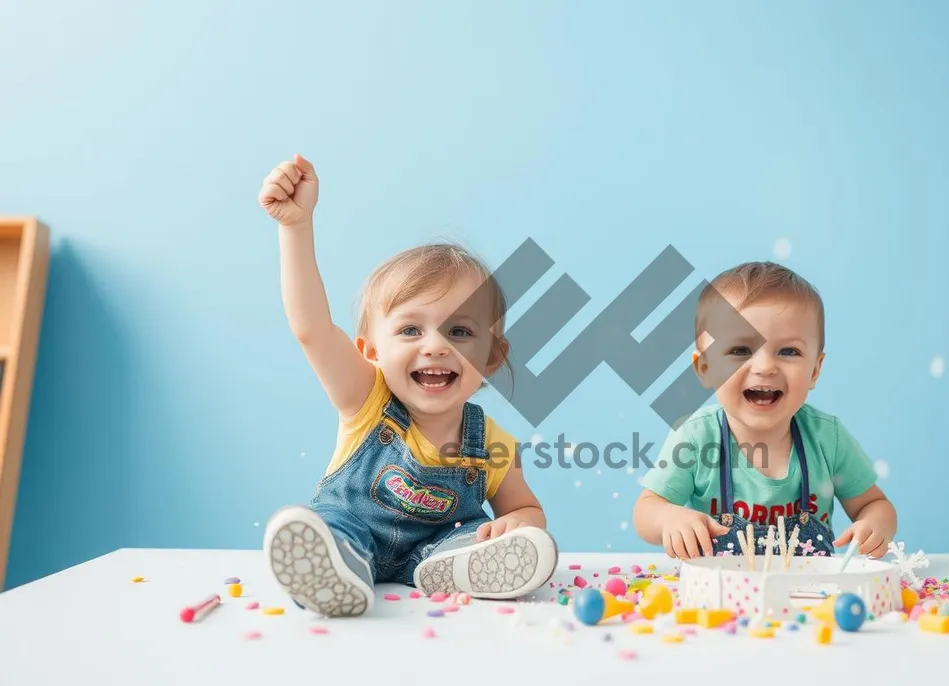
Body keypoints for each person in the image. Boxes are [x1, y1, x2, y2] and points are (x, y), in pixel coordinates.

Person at [256, 154, 557, 617]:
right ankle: (337, 572)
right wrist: (295, 227)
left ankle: (460, 567)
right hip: (354, 529)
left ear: (492, 357)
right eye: (411, 330)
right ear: (371, 351)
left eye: (459, 332)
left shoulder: (492, 442)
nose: (435, 346)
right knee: (328, 529)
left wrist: (518, 524)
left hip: (437, 547)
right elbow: (311, 327)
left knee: (466, 538)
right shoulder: (365, 398)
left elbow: (528, 510)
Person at [632, 261, 897, 561]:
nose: (765, 367)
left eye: (788, 351)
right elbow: (646, 510)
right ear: (705, 368)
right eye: (740, 350)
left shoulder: (827, 438)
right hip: (720, 598)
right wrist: (669, 518)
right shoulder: (696, 437)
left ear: (814, 370)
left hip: (808, 595)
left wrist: (875, 525)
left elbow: (875, 504)